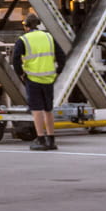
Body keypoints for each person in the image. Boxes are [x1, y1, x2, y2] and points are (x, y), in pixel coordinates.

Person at [11, 19, 65, 151]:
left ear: (26, 26)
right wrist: (58, 71)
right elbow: (61, 56)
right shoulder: (48, 37)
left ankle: (40, 139)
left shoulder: (24, 39)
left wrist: (21, 74)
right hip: (48, 79)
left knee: (36, 110)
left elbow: (15, 59)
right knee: (48, 110)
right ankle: (51, 139)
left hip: (33, 78)